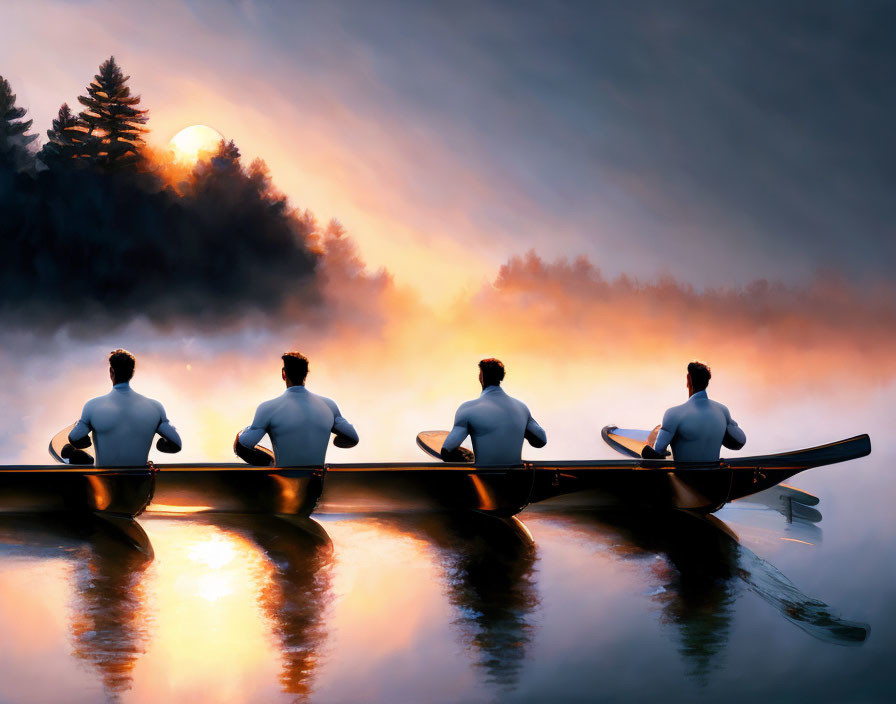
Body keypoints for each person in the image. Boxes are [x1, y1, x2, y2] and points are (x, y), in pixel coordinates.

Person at [236, 351, 359, 466]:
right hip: (315, 481)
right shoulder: (329, 405)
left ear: (284, 373)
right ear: (306, 374)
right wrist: (336, 440)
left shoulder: (267, 408)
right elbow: (352, 438)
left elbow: (244, 445)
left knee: (239, 444)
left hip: (285, 484)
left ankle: (273, 464)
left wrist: (269, 460)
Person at [67, 349, 182, 466]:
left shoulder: (92, 406)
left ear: (111, 371)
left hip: (105, 481)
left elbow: (74, 438)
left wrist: (86, 442)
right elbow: (176, 443)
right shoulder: (155, 407)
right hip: (138, 482)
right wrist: (160, 444)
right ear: (132, 372)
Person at [441, 358, 546, 465]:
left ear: (481, 377)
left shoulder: (467, 409)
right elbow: (541, 440)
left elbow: (446, 451)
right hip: (515, 479)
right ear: (501, 377)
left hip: (485, 478)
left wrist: (466, 457)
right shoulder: (521, 408)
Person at [642, 361, 745, 462]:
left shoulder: (673, 414)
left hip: (685, 477)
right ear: (707, 382)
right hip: (714, 477)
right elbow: (739, 441)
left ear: (688, 379)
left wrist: (653, 440)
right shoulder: (723, 411)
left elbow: (657, 451)